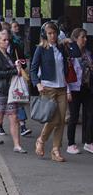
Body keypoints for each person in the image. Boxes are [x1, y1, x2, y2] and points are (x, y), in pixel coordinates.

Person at [30, 22, 69, 162]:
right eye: (49, 33)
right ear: (44, 35)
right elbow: (33, 70)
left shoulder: (61, 48)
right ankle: (41, 140)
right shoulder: (41, 49)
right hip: (48, 88)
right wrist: (37, 84)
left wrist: (69, 42)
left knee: (62, 120)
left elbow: (67, 67)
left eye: (54, 33)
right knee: (54, 119)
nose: (52, 36)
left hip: (62, 88)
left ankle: (55, 150)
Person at [65, 28, 93, 154]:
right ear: (75, 38)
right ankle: (71, 144)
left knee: (90, 114)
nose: (85, 39)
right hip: (74, 88)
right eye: (82, 37)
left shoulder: (88, 53)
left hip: (86, 87)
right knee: (74, 117)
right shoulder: (70, 53)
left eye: (86, 37)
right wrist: (67, 91)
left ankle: (88, 142)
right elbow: (65, 72)